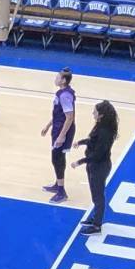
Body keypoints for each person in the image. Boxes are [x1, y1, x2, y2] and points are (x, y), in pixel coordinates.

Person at [76, 100, 119, 233]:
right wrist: (81, 142)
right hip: (94, 165)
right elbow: (93, 141)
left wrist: (80, 161)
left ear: (101, 115)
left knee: (98, 196)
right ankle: (95, 218)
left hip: (99, 166)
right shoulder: (100, 126)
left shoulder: (105, 132)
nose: (93, 113)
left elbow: (98, 155)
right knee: (95, 195)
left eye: (95, 112)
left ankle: (97, 225)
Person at [42, 69, 76, 202]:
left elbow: (69, 118)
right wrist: (48, 125)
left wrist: (62, 136)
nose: (55, 79)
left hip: (63, 130)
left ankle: (62, 192)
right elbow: (58, 114)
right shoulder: (62, 93)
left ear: (63, 80)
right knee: (57, 157)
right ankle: (58, 184)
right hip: (57, 128)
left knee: (57, 158)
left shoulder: (65, 95)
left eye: (57, 77)